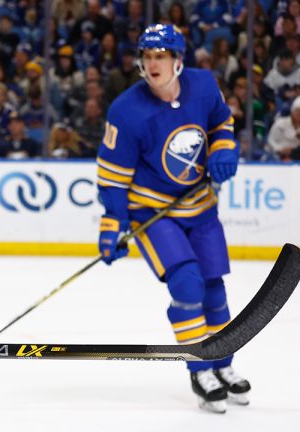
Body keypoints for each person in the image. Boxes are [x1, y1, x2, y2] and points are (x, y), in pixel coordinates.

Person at [96, 24, 249, 414]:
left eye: (161, 56)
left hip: (200, 206)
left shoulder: (204, 85)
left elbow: (221, 123)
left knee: (214, 289)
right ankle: (200, 368)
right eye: (147, 56)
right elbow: (112, 178)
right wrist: (112, 224)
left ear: (178, 60)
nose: (153, 64)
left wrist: (224, 150)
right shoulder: (126, 110)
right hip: (153, 213)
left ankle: (223, 362)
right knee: (187, 284)